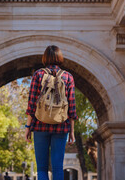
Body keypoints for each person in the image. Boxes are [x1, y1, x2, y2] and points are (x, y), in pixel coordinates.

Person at [25, 45, 77, 180]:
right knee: (57, 167)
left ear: (45, 58)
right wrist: (71, 131)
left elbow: (32, 104)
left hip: (40, 125)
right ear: (60, 57)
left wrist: (27, 127)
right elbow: (71, 107)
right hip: (61, 126)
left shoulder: (38, 74)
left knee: (42, 168)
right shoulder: (68, 77)